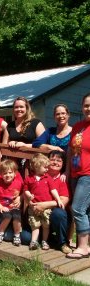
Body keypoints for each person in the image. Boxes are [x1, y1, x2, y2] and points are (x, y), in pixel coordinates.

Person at [30, 150, 72, 254]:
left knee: (59, 213)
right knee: (26, 238)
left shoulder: (62, 179)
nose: (55, 162)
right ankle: (47, 240)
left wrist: (44, 205)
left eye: (59, 161)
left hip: (54, 216)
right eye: (52, 159)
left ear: (63, 164)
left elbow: (64, 201)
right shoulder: (37, 176)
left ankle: (62, 243)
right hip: (37, 214)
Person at [66, 93, 90, 259]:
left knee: (78, 208)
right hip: (75, 173)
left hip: (88, 175)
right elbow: (70, 150)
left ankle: (82, 246)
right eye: (86, 105)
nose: (88, 108)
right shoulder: (78, 126)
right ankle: (87, 246)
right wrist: (67, 172)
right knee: (86, 211)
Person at [24, 153, 64, 250]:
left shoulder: (47, 178)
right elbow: (25, 190)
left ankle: (44, 241)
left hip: (46, 208)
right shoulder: (29, 178)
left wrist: (58, 199)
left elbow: (53, 190)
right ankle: (34, 242)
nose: (47, 169)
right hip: (34, 206)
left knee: (46, 225)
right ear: (37, 167)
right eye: (45, 167)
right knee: (35, 225)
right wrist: (29, 196)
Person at [0, 159, 23, 246]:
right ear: (1, 174)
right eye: (5, 173)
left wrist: (20, 198)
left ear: (15, 174)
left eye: (10, 173)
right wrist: (1, 208)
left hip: (14, 207)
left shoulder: (18, 183)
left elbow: (24, 192)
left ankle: (17, 235)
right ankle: (0, 233)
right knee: (7, 216)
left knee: (17, 216)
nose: (8, 175)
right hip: (3, 209)